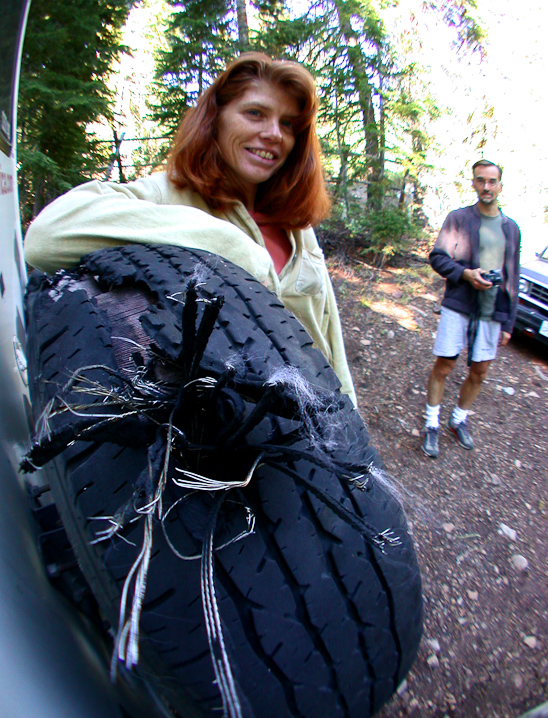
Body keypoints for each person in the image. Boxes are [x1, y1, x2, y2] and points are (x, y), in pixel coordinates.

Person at [24, 52, 356, 405]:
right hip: (228, 435)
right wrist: (228, 244)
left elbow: (329, 335)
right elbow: (45, 235)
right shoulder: (167, 194)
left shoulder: (295, 224)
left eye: (288, 124)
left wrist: (355, 427)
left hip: (321, 426)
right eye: (255, 113)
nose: (274, 133)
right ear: (216, 119)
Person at [422, 159, 520, 458]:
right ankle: (431, 424)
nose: (486, 187)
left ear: (500, 185)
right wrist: (466, 274)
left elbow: (513, 277)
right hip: (459, 306)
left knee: (479, 372)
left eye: (492, 181)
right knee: (445, 366)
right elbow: (437, 258)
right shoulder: (459, 218)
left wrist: (509, 323)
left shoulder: (511, 228)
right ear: (474, 183)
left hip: (492, 313)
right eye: (481, 180)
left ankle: (458, 419)